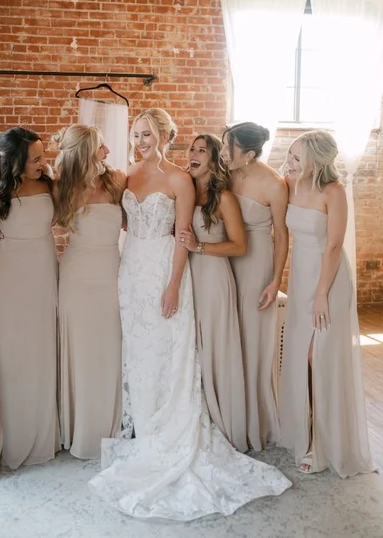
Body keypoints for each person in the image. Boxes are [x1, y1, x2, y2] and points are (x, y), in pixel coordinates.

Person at [87, 109, 291, 520]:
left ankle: (170, 429)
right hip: (132, 269)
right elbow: (120, 219)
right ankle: (144, 426)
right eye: (136, 135)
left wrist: (174, 284)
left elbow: (182, 236)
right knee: (139, 351)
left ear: (164, 136)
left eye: (147, 134)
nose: (140, 141)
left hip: (165, 269)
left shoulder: (180, 179)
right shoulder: (127, 175)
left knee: (169, 350)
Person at [279, 130, 375, 477]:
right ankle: (303, 433)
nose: (289, 162)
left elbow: (334, 246)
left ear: (315, 161)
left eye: (296, 158)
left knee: (317, 356)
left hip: (329, 280)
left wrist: (321, 293)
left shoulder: (334, 191)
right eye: (290, 155)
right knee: (300, 357)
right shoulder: (290, 184)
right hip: (300, 277)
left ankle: (324, 443)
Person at [0, 127, 59, 469]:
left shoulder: (49, 183)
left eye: (42, 157)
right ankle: (14, 434)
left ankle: (44, 433)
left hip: (43, 269)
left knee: (42, 346)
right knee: (12, 351)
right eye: (35, 159)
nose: (42, 163)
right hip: (8, 275)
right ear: (14, 160)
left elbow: (63, 215)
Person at [55, 124, 125, 460]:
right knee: (81, 349)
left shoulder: (118, 181)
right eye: (101, 147)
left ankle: (110, 425)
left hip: (111, 272)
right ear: (84, 152)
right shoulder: (60, 187)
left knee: (109, 346)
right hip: (76, 275)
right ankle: (80, 428)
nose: (107, 152)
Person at [222, 121, 288, 451]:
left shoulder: (274, 184)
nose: (223, 152)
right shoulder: (225, 173)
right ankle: (226, 412)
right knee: (227, 331)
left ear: (248, 154)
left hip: (257, 261)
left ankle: (253, 420)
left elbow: (282, 236)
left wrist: (275, 280)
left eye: (228, 147)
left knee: (251, 336)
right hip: (225, 257)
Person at [181, 133, 248, 452]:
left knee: (213, 346)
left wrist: (200, 247)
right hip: (187, 277)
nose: (193, 154)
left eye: (201, 151)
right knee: (190, 347)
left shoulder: (223, 198)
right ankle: (191, 419)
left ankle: (220, 422)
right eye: (191, 149)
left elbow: (240, 245)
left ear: (214, 159)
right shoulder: (183, 188)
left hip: (213, 277)